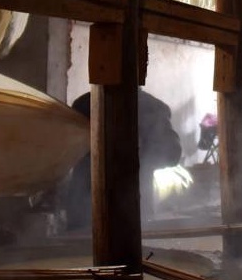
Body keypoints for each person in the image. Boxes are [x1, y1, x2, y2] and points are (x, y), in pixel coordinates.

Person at [65, 88, 182, 228]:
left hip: (86, 208)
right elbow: (172, 154)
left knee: (82, 248)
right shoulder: (151, 106)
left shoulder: (83, 104)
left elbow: (65, 152)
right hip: (131, 209)